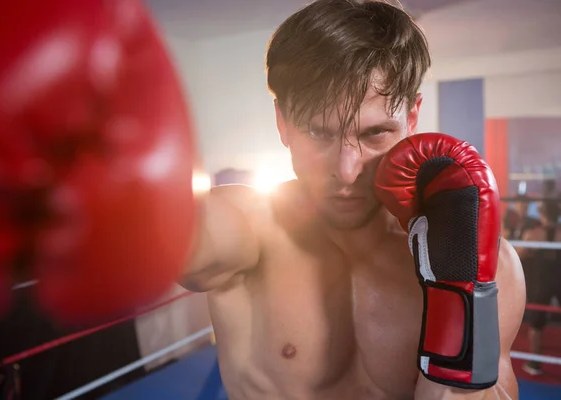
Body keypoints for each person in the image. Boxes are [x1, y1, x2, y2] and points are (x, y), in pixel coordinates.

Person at [181, 0, 526, 399]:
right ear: (282, 122)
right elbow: (170, 245)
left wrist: (459, 288)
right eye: (319, 133)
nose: (347, 171)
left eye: (375, 133)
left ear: (412, 118)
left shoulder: (483, 262)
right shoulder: (247, 227)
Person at [517, 200, 561, 376]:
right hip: (558, 279)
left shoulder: (534, 234)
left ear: (542, 213)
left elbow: (517, 256)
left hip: (542, 282)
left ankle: (535, 363)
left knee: (536, 322)